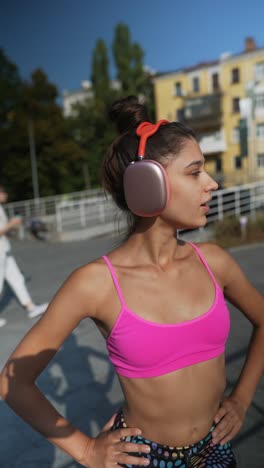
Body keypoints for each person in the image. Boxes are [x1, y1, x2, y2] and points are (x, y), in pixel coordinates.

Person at [0, 96, 263, 467]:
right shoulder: (96, 283)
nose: (212, 183)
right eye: (194, 172)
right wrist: (86, 449)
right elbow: (13, 381)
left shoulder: (214, 262)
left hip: (215, 452)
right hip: (144, 460)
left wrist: (241, 399)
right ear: (147, 184)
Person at [0, 184, 48, 326]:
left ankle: (31, 307)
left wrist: (11, 226)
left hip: (5, 251)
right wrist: (12, 223)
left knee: (17, 279)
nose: (5, 194)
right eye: (2, 191)